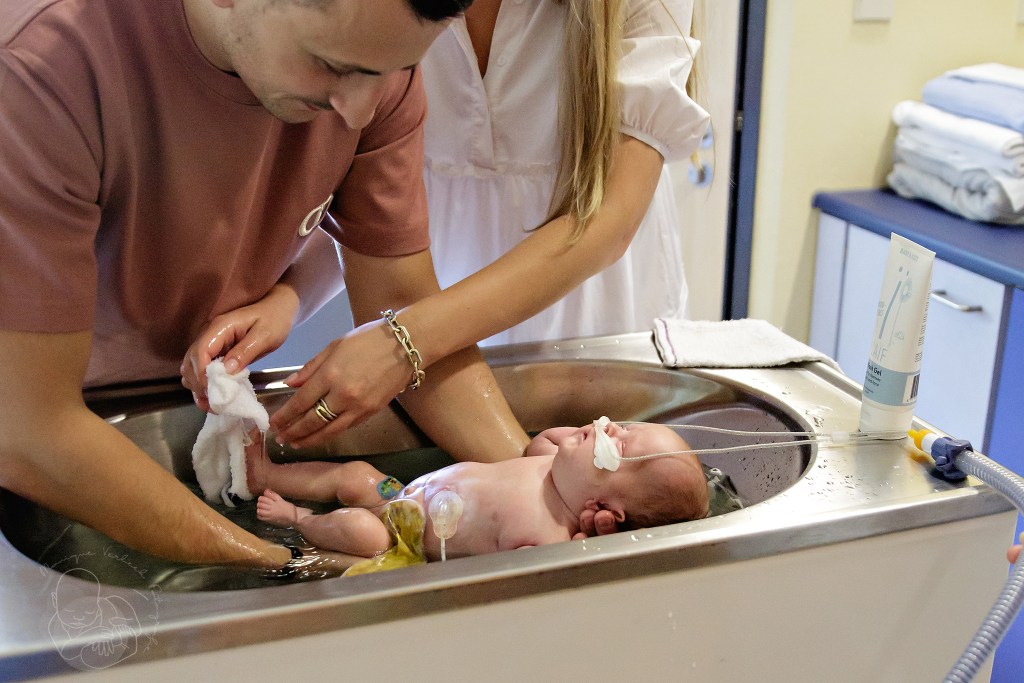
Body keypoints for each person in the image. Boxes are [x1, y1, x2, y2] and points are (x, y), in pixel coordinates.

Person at [0, 0, 531, 573]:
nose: (358, 111)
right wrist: (294, 561)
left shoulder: (376, 57)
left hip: (172, 401)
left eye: (391, 72)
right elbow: (28, 429)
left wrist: (545, 487)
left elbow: (401, 307)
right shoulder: (43, 71)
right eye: (332, 65)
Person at [262, 0, 710, 450]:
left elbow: (608, 219)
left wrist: (404, 342)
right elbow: (379, 197)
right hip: (441, 338)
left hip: (599, 331)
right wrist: (291, 294)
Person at [250, 419, 710, 567]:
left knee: (363, 538)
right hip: (401, 496)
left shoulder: (550, 535)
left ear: (605, 512)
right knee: (354, 477)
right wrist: (585, 437)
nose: (607, 426)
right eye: (622, 425)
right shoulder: (553, 461)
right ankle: (263, 472)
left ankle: (298, 522)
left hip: (402, 542)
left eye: (620, 444)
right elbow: (544, 439)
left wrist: (583, 549)